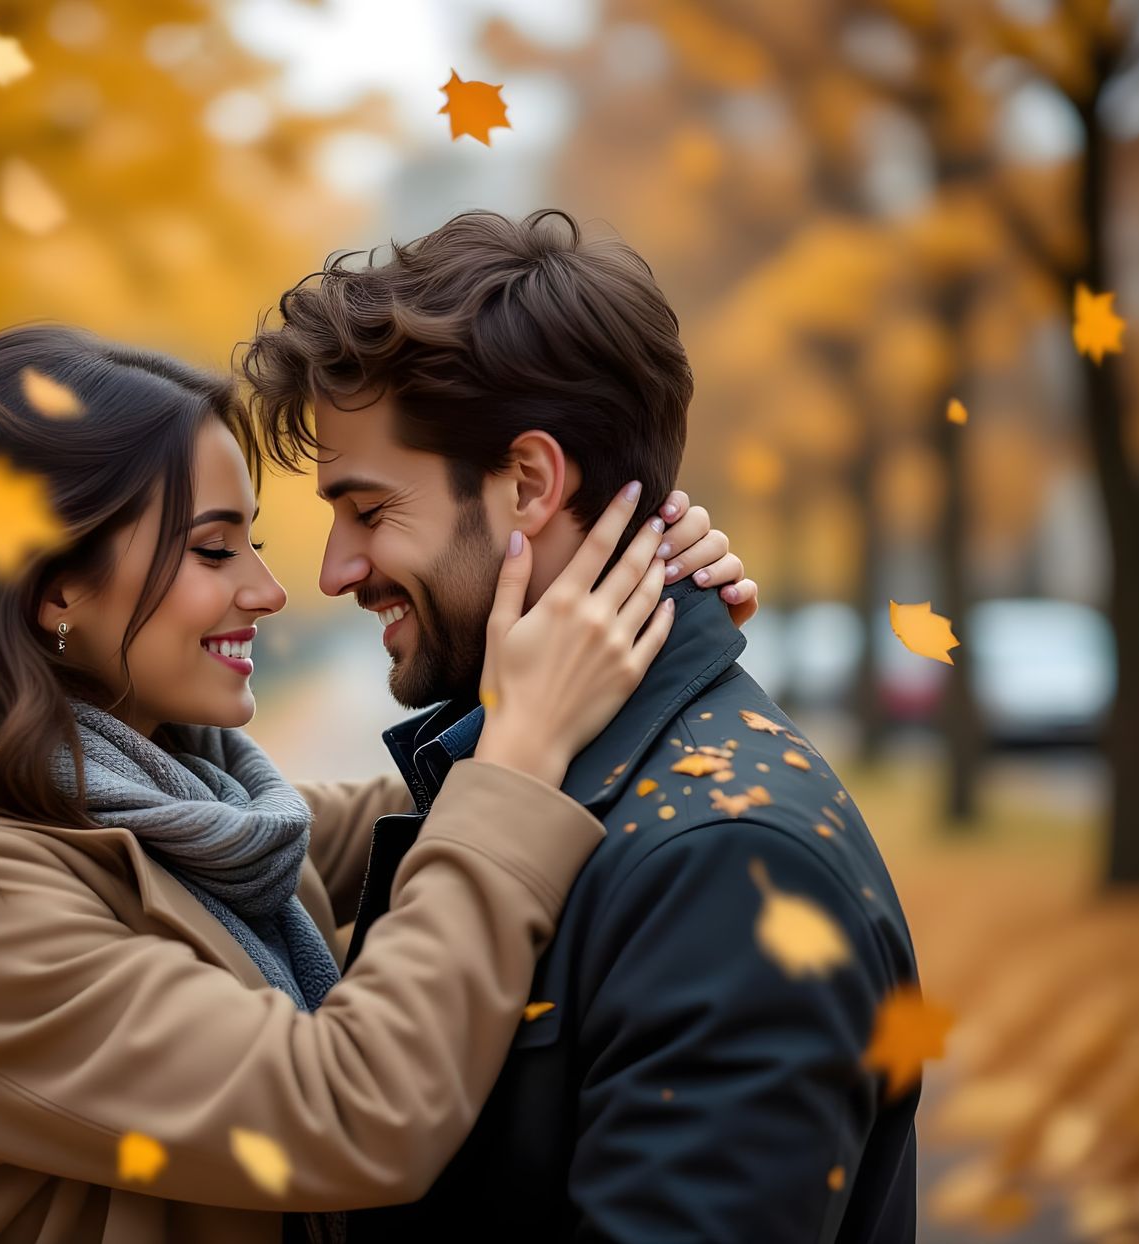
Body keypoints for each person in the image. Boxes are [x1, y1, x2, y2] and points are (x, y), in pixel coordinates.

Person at [0, 322, 756, 1244]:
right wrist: (523, 742)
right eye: (211, 549)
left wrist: (616, 609)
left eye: (254, 542)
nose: (269, 590)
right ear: (54, 587)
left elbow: (431, 812)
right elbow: (351, 1110)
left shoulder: (196, 817)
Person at [241, 208, 921, 1243]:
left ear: (528, 484)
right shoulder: (536, 777)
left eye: (370, 510)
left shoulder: (729, 869)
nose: (333, 570)